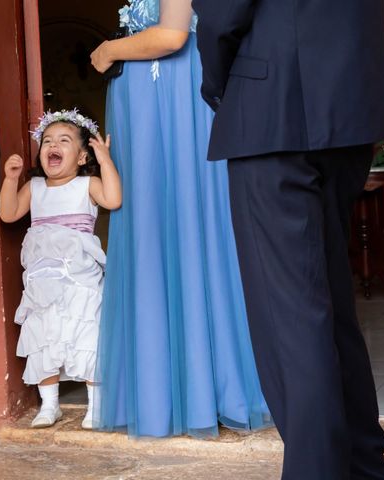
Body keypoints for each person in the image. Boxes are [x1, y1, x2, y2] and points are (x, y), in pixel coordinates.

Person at [192, 0, 384, 477]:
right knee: (330, 303)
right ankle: (364, 466)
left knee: (292, 319)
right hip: (350, 104)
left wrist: (219, 83)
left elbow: (224, 13)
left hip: (272, 106)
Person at [90, 0, 271, 438]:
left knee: (187, 227)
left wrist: (110, 50)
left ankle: (204, 391)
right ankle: (167, 390)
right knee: (157, 233)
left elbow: (172, 36)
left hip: (172, 102)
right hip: (150, 105)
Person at [0, 109, 121, 430]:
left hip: (81, 282)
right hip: (43, 284)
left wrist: (105, 160)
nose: (53, 144)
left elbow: (114, 198)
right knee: (44, 336)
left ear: (82, 157)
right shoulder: (35, 187)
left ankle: (96, 406)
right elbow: (9, 213)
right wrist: (11, 180)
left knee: (87, 336)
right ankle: (49, 404)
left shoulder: (87, 185)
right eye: (47, 141)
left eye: (64, 140)